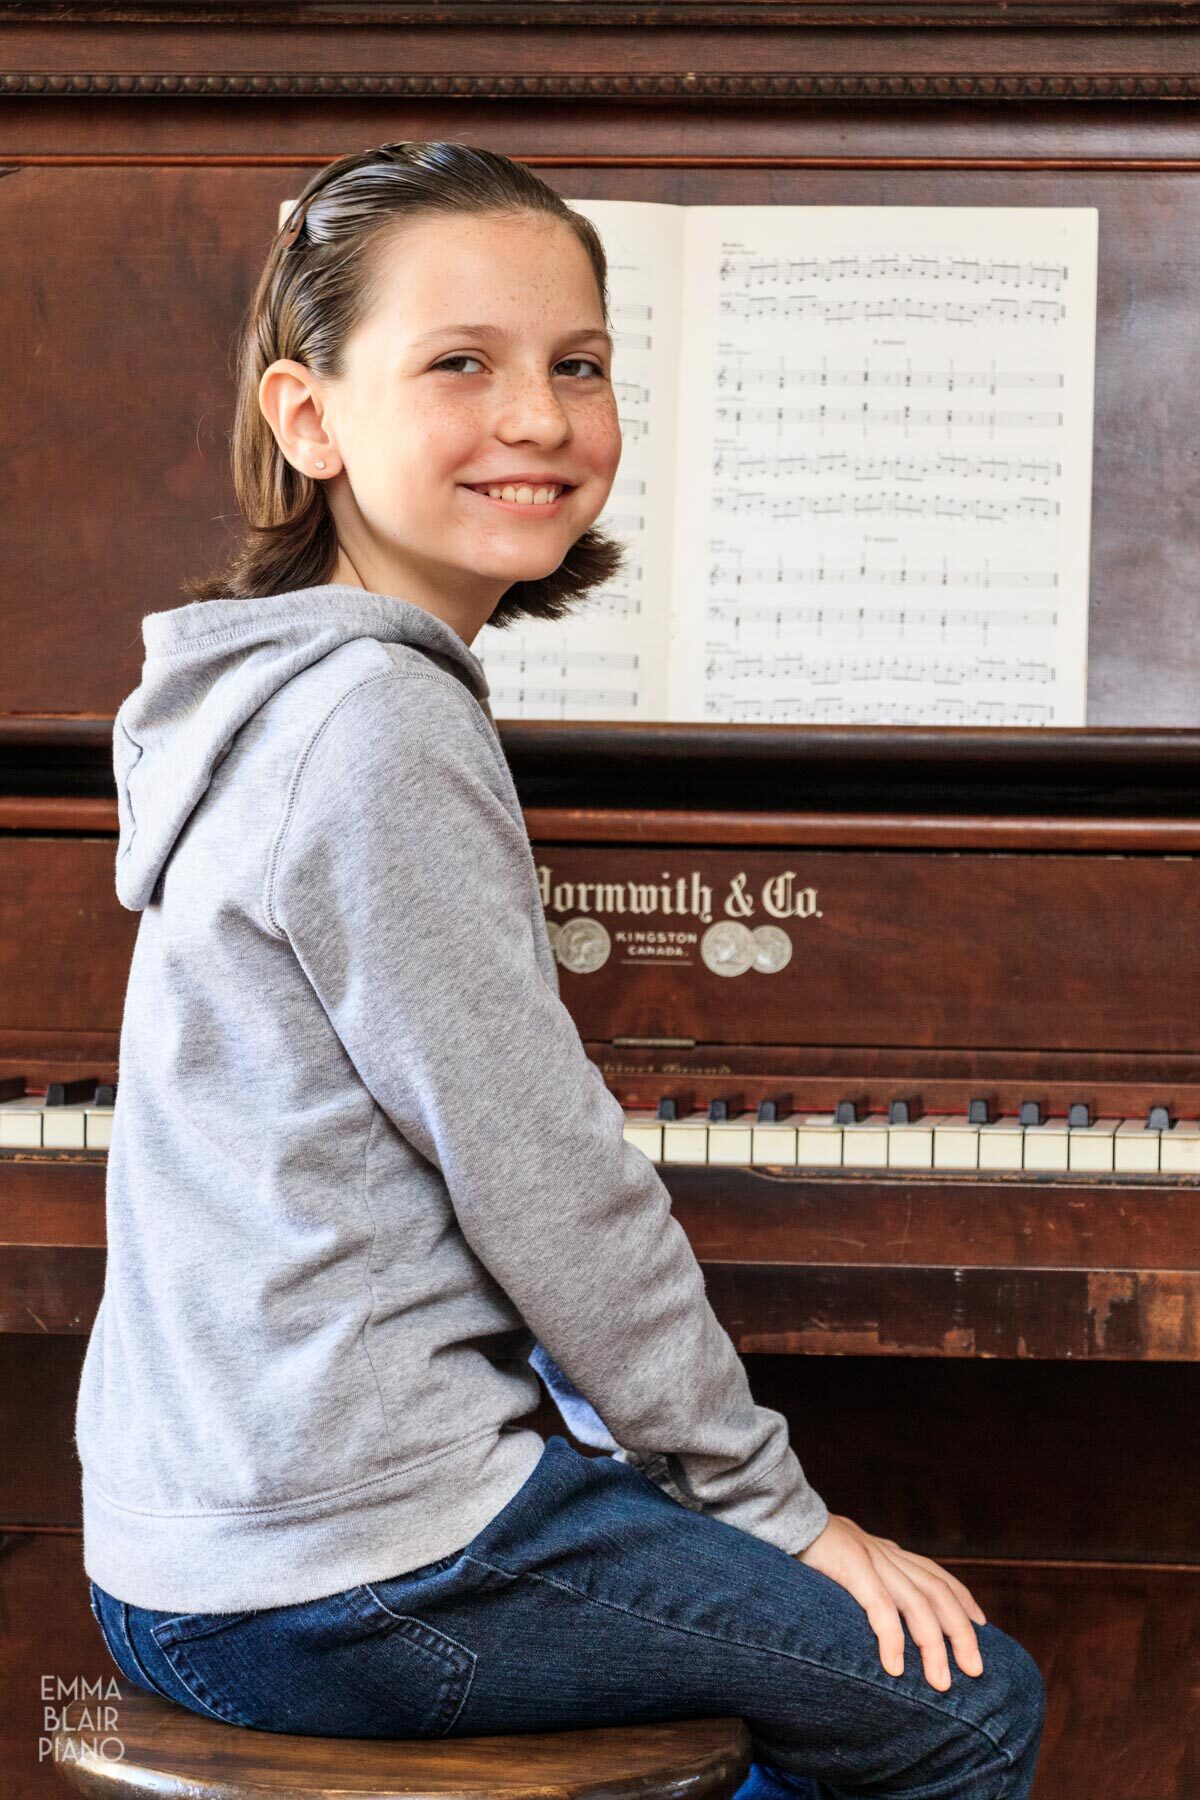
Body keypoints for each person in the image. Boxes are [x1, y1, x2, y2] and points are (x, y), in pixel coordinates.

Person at [78, 141, 1045, 1798]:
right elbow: (549, 1184)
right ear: (308, 419)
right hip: (350, 1573)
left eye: (577, 366)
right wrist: (771, 1507)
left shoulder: (267, 697)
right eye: (462, 363)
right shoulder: (380, 726)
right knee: (962, 1710)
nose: (537, 414)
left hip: (196, 1538)